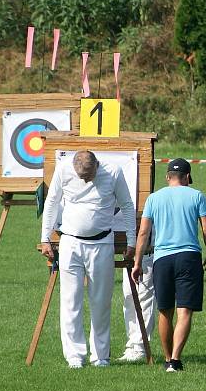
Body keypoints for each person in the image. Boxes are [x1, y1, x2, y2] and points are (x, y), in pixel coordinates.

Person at [40, 150, 135, 368]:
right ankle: (74, 356)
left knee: (101, 303)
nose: (85, 179)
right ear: (73, 167)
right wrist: (45, 238)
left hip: (102, 244)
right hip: (70, 242)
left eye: (88, 175)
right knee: (70, 301)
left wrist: (131, 241)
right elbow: (52, 201)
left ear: (97, 166)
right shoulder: (64, 168)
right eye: (81, 175)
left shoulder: (113, 171)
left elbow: (127, 205)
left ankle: (100, 356)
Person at [131, 158, 206, 373]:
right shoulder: (196, 195)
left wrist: (138, 262)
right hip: (189, 256)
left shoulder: (153, 198)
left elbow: (143, 232)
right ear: (188, 177)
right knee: (184, 310)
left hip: (162, 259)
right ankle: (176, 359)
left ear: (167, 177)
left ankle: (167, 358)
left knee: (164, 311)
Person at [118, 251, 155, 362]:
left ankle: (140, 347)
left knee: (145, 299)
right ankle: (132, 345)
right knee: (129, 299)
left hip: (148, 254)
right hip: (129, 255)